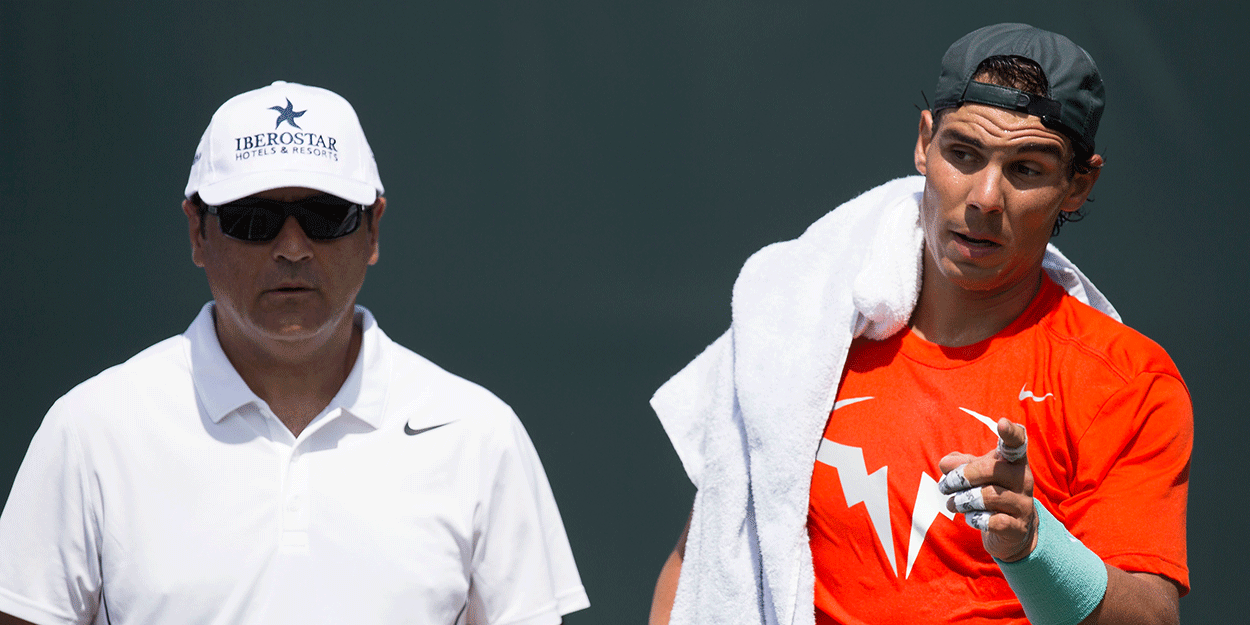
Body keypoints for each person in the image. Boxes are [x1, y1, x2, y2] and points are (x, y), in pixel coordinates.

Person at [649, 24, 1190, 625]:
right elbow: (705, 557)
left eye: (1026, 169)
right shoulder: (801, 323)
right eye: (963, 154)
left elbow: (1150, 619)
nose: (985, 196)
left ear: (1077, 185)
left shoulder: (1127, 382)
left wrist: (1033, 548)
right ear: (924, 143)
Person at [0, 81, 589, 625]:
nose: (292, 247)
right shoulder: (92, 430)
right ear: (197, 231)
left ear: (373, 228)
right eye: (253, 218)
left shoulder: (477, 434)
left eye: (325, 215)